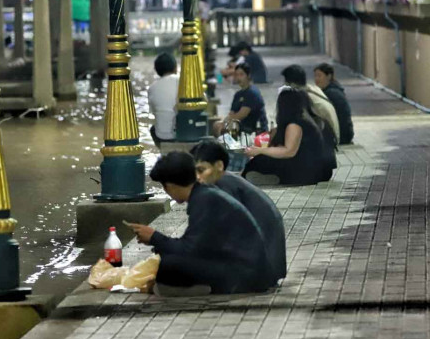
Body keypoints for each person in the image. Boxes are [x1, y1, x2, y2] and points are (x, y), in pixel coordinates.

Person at [126, 152, 276, 295]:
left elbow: (188, 250)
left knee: (167, 265)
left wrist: (154, 237)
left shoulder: (204, 200)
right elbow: (198, 246)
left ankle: (197, 288)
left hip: (244, 277)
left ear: (170, 186)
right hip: (247, 271)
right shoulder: (204, 194)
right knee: (167, 259)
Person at [193, 140, 287, 283]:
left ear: (219, 166)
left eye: (201, 170)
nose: (197, 177)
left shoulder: (221, 185)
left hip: (259, 271)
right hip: (267, 266)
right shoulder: (227, 180)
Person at [242, 87, 335, 186]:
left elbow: (289, 151)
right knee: (264, 158)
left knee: (259, 160)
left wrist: (260, 150)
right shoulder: (308, 120)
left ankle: (269, 177)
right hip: (317, 171)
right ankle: (267, 176)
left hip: (304, 175)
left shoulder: (295, 125)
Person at [282, 65, 340, 144]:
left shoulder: (301, 97)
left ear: (291, 83)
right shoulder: (313, 89)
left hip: (327, 143)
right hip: (333, 138)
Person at [212, 62, 269, 137]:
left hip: (254, 129)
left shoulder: (252, 92)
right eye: (236, 75)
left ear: (248, 76)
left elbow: (242, 114)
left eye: (241, 74)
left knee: (228, 126)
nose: (238, 78)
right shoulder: (238, 94)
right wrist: (223, 122)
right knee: (217, 125)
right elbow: (232, 113)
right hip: (241, 126)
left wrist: (225, 122)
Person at [314, 63, 354, 145]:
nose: (316, 79)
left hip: (340, 136)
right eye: (315, 76)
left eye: (319, 76)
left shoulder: (331, 94)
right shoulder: (334, 89)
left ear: (329, 76)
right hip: (344, 134)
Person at [148, 53, 180, 147]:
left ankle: (163, 151)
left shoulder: (152, 88)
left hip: (162, 137)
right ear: (175, 68)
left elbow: (154, 112)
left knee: (153, 129)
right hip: (185, 132)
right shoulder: (183, 80)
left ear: (157, 70)